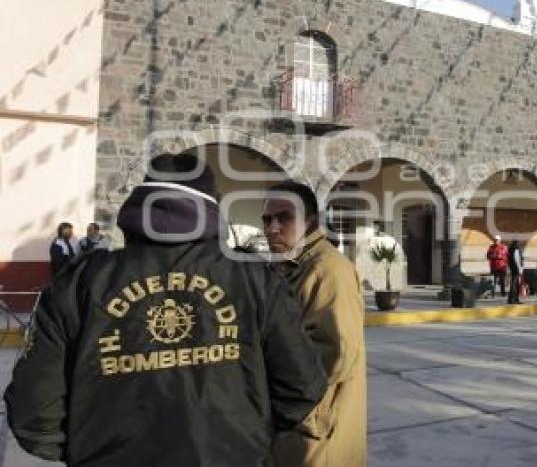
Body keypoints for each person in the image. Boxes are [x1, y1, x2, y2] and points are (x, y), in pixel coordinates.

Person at [5, 154, 327, 466]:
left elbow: (33, 413)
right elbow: (303, 387)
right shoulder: (254, 280)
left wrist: (90, 449)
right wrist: (249, 439)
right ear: (211, 210)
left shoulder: (80, 284)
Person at [263, 181, 366, 467]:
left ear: (309, 221)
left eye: (285, 218)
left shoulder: (328, 269)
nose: (273, 228)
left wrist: (277, 395)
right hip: (294, 422)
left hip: (315, 427)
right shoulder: (289, 264)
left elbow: (336, 355)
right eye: (267, 219)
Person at [507, 240, 523, 304]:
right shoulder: (516, 251)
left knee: (514, 284)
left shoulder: (511, 250)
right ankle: (514, 299)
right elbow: (517, 261)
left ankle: (512, 299)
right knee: (515, 285)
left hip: (514, 269)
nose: (519, 246)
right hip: (516, 270)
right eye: (519, 244)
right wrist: (520, 270)